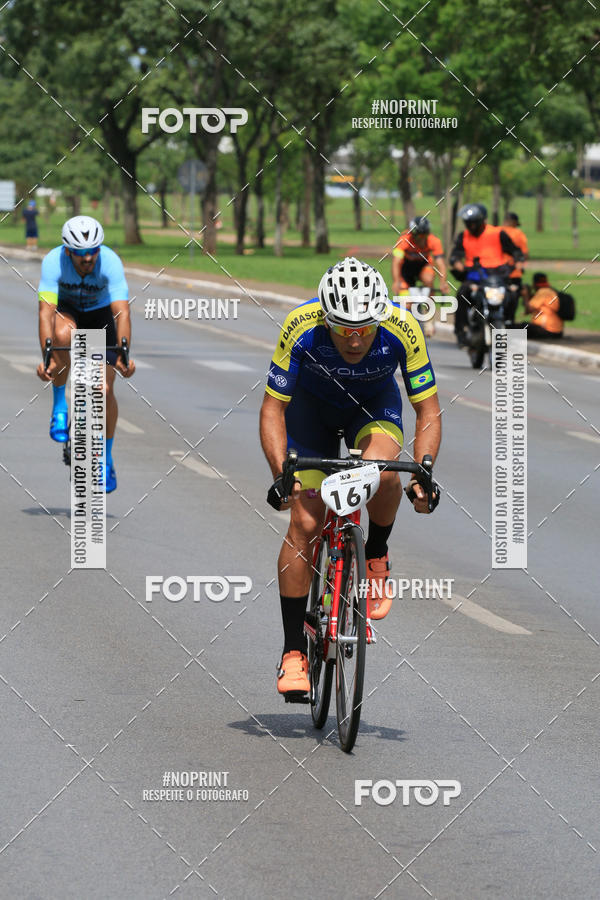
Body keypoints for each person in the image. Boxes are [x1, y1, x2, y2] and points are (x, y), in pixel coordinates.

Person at [260, 257, 441, 697]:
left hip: (372, 409)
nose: (355, 339)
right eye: (343, 330)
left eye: (365, 329)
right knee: (305, 522)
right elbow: (273, 409)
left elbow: (428, 410)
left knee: (384, 473)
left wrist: (425, 472)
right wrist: (282, 473)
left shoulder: (402, 327)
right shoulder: (300, 326)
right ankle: (293, 652)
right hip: (310, 415)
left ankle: (375, 557)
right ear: (327, 319)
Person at [36, 215, 136, 492]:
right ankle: (59, 405)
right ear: (68, 251)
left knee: (104, 390)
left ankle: (106, 458)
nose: (88, 258)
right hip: (67, 312)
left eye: (93, 251)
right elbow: (45, 313)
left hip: (100, 316)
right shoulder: (53, 261)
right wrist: (47, 359)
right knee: (61, 335)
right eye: (81, 253)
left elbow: (122, 312)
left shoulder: (111, 262)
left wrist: (124, 354)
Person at [449, 203, 524, 345]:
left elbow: (515, 251)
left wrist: (518, 260)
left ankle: (509, 323)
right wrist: (457, 263)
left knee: (512, 294)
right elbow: (456, 255)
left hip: (498, 275)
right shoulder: (463, 236)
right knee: (462, 294)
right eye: (467, 223)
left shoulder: (497, 233)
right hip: (475, 276)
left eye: (473, 223)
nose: (470, 226)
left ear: (481, 221)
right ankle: (461, 330)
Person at [502, 211, 529, 322]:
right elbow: (525, 254)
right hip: (514, 274)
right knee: (512, 304)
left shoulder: (496, 231)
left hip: (496, 273)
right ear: (513, 222)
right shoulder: (518, 233)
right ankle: (510, 323)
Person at [522, 273, 564, 339]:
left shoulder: (543, 292)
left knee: (516, 328)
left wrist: (525, 295)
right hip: (556, 330)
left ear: (534, 284)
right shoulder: (551, 291)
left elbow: (529, 310)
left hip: (547, 330)